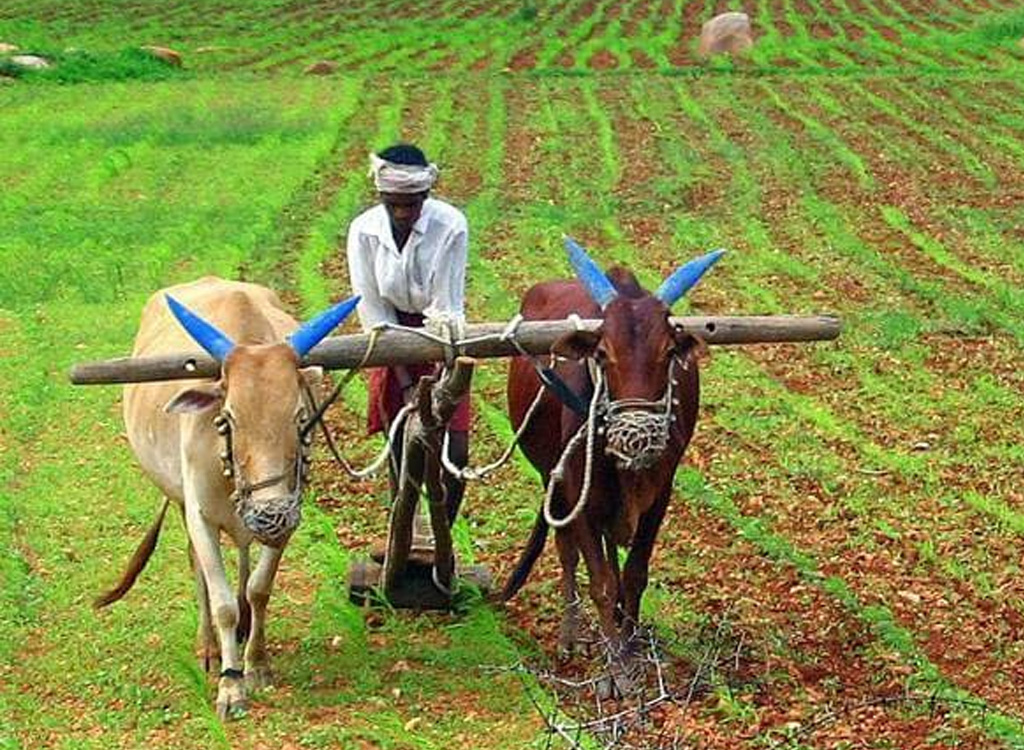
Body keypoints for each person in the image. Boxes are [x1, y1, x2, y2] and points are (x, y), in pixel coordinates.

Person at [345, 143, 470, 525]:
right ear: (381, 196)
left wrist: (440, 383)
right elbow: (373, 311)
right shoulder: (364, 231)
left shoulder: (450, 225)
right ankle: (404, 529)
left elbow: (445, 306)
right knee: (402, 443)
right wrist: (404, 384)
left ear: (425, 195)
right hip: (389, 339)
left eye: (411, 203)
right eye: (394, 203)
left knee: (456, 451)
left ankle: (441, 534)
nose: (402, 212)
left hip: (441, 338)